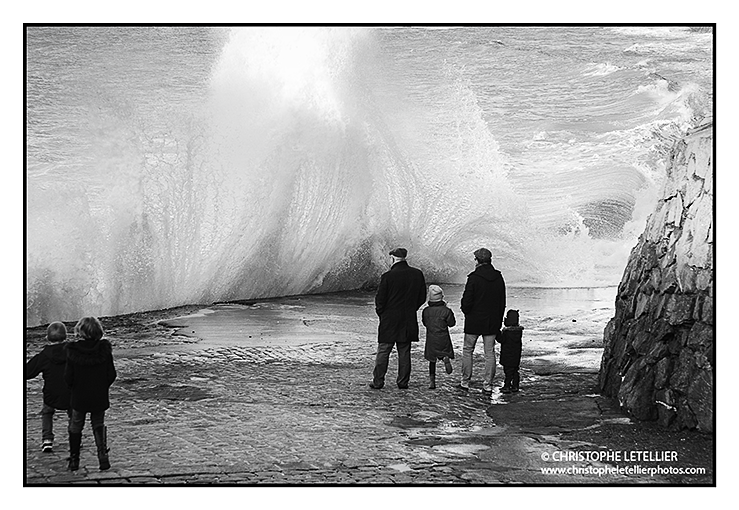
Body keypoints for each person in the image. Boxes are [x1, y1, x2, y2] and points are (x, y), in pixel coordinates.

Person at [65, 316, 117, 471]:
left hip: (79, 395)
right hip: (98, 395)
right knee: (98, 423)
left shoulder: (73, 351)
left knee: (76, 425)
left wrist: (74, 388)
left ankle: (74, 460)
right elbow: (111, 374)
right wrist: (102, 386)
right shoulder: (104, 350)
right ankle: (102, 455)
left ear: (80, 331)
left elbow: (68, 377)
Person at [370, 248, 426, 389]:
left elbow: (380, 300)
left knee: (383, 350)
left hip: (389, 318)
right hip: (408, 318)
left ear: (393, 259)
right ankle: (402, 382)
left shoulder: (388, 276)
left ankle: (378, 382)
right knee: (404, 351)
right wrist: (412, 308)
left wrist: (382, 314)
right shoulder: (417, 274)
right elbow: (422, 297)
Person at [459, 247, 506, 393]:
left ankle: (465, 382)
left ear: (478, 260)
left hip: (474, 320)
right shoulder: (498, 277)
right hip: (491, 321)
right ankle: (488, 384)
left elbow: (467, 301)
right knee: (489, 353)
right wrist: (498, 321)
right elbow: (501, 301)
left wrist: (466, 311)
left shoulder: (474, 278)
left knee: (468, 350)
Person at [25, 321, 72, 453]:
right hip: (70, 391)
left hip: (51, 392)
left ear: (47, 338)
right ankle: (74, 438)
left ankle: (47, 439)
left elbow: (28, 372)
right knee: (73, 413)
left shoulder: (44, 356)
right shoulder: (72, 352)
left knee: (47, 412)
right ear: (66, 337)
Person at [421, 285, 456, 390]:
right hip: (443, 337)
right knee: (443, 352)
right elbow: (452, 324)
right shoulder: (446, 311)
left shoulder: (426, 311)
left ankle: (432, 382)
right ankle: (445, 358)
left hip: (431, 338)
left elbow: (425, 323)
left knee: (432, 361)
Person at [498, 309, 523, 393]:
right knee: (515, 371)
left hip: (507, 356)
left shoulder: (507, 332)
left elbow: (501, 340)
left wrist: (497, 332)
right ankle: (515, 385)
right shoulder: (518, 332)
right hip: (516, 356)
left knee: (508, 372)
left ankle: (507, 386)